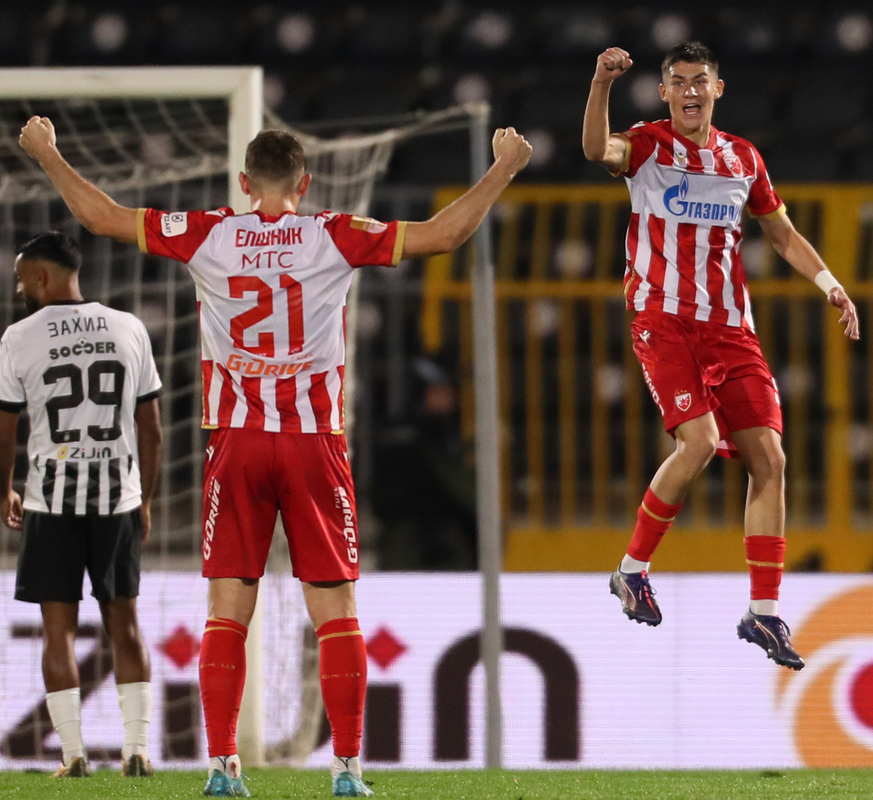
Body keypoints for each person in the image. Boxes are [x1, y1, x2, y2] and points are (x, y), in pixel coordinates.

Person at [20, 117, 531, 796]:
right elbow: (443, 236)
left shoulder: (210, 233)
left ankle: (224, 766)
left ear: (242, 185)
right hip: (313, 442)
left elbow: (103, 216)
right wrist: (502, 170)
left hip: (235, 442)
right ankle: (347, 769)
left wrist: (49, 154)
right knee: (336, 610)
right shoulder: (333, 235)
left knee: (227, 609)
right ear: (305, 184)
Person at [582, 42, 859, 670]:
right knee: (700, 443)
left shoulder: (743, 158)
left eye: (698, 81)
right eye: (677, 82)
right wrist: (599, 83)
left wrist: (830, 284)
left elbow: (782, 233)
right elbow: (597, 149)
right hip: (664, 320)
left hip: (731, 328)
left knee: (771, 458)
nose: (688, 91)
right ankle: (631, 570)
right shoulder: (647, 145)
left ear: (718, 89)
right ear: (663, 93)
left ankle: (763, 613)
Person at [0, 232, 162, 780]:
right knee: (126, 622)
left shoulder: (18, 337)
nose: (19, 286)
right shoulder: (129, 327)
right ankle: (137, 749)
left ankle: (73, 757)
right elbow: (153, 430)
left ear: (43, 277)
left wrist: (4, 489)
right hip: (117, 497)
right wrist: (146, 497)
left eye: (22, 276)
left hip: (51, 502)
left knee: (58, 630)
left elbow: (5, 428)